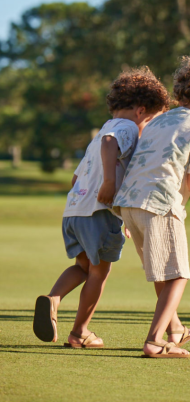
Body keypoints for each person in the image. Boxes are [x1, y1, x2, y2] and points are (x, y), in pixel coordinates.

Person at [112, 55, 190, 358]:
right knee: (178, 274)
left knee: (162, 274)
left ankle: (175, 330)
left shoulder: (160, 120)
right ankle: (155, 341)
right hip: (160, 205)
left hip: (129, 205)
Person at [33, 67, 169, 348]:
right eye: (152, 120)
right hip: (98, 212)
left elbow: (76, 177)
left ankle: (53, 299)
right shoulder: (126, 128)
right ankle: (80, 332)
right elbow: (112, 145)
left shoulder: (102, 130)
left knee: (82, 267)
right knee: (99, 272)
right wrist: (108, 183)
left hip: (74, 211)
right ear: (141, 110)